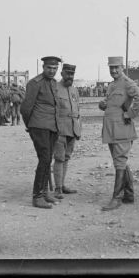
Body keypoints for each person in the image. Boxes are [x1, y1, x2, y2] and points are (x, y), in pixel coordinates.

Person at [99, 56, 139, 211]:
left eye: (116, 67)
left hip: (122, 129)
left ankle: (116, 198)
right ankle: (129, 194)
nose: (113, 70)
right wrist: (102, 105)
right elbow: (111, 103)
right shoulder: (113, 84)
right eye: (111, 67)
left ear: (122, 67)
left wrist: (130, 114)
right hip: (111, 129)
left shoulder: (127, 83)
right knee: (120, 162)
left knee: (119, 162)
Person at [20, 56, 61, 209]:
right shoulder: (34, 83)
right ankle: (37, 196)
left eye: (55, 68)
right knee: (44, 159)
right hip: (39, 126)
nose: (52, 71)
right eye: (49, 68)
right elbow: (25, 108)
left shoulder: (53, 83)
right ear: (43, 67)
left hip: (51, 127)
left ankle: (44, 193)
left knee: (47, 159)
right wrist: (30, 126)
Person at [53, 63, 82, 198]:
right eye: (68, 73)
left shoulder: (74, 90)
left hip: (72, 129)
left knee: (66, 158)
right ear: (62, 73)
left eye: (72, 74)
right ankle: (58, 188)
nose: (70, 76)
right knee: (59, 158)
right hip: (60, 129)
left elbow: (78, 110)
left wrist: (79, 129)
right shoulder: (55, 88)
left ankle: (62, 185)